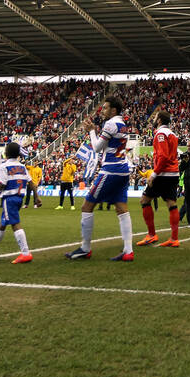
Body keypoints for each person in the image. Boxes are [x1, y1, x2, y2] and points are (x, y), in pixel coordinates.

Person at [67, 95, 137, 262]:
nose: (102, 110)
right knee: (121, 208)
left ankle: (85, 248)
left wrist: (91, 130)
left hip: (111, 170)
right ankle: (128, 250)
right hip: (123, 170)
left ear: (113, 110)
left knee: (87, 206)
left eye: (105, 107)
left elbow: (97, 148)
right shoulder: (122, 124)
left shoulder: (111, 123)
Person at [137, 111, 181, 247]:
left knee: (144, 200)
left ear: (160, 120)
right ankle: (174, 239)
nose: (154, 119)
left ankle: (151, 235)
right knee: (171, 203)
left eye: (155, 117)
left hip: (163, 174)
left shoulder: (160, 134)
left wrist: (154, 174)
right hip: (173, 173)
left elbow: (163, 157)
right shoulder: (172, 134)